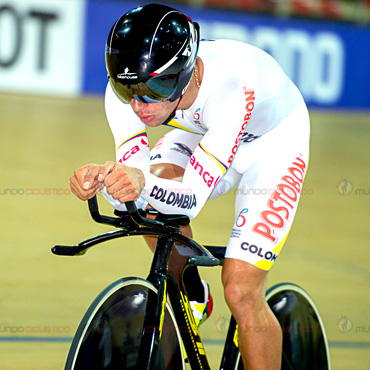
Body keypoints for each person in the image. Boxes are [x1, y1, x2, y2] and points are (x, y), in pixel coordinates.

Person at [70, 3, 310, 369]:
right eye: (127, 88)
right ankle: (194, 294)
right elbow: (138, 185)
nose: (138, 105)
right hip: (204, 134)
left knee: (241, 290)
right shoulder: (127, 96)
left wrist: (136, 182)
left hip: (272, 145)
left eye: (155, 88)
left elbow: (189, 201)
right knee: (152, 199)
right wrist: (106, 181)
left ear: (183, 75)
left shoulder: (232, 86)